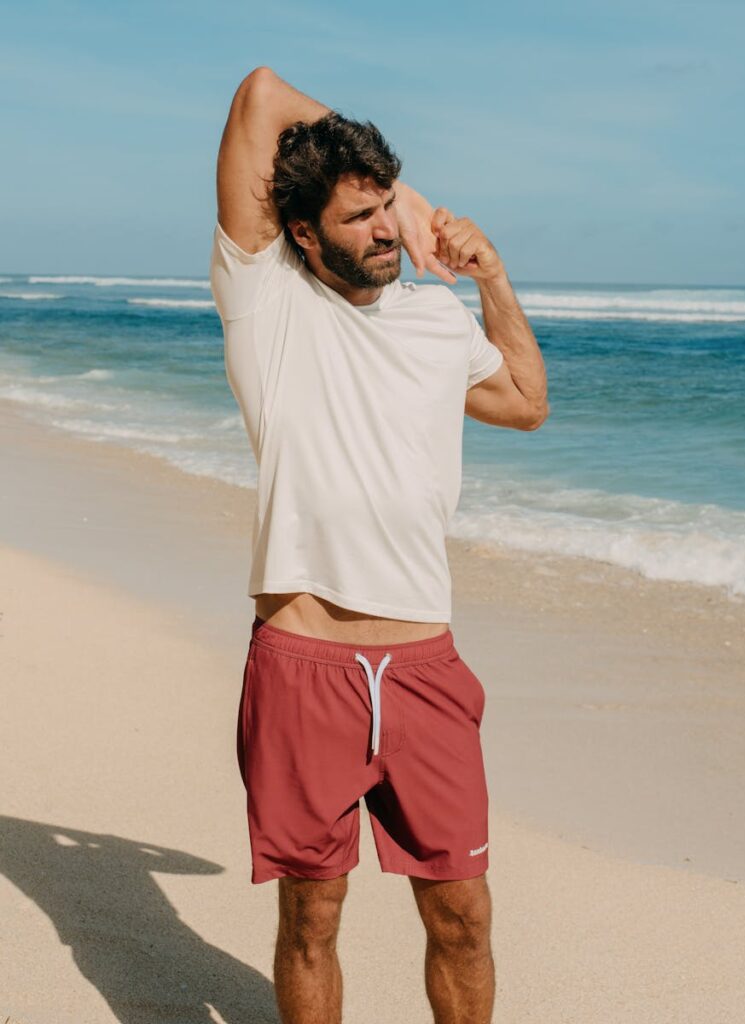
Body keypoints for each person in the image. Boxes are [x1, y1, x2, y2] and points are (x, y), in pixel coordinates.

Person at [210, 66, 548, 1024]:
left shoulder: (434, 323)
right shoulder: (265, 301)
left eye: (389, 209)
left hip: (423, 671)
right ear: (304, 233)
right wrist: (420, 190)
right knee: (312, 912)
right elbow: (261, 94)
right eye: (362, 215)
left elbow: (524, 404)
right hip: (303, 660)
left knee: (462, 917)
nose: (389, 231)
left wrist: (491, 279)